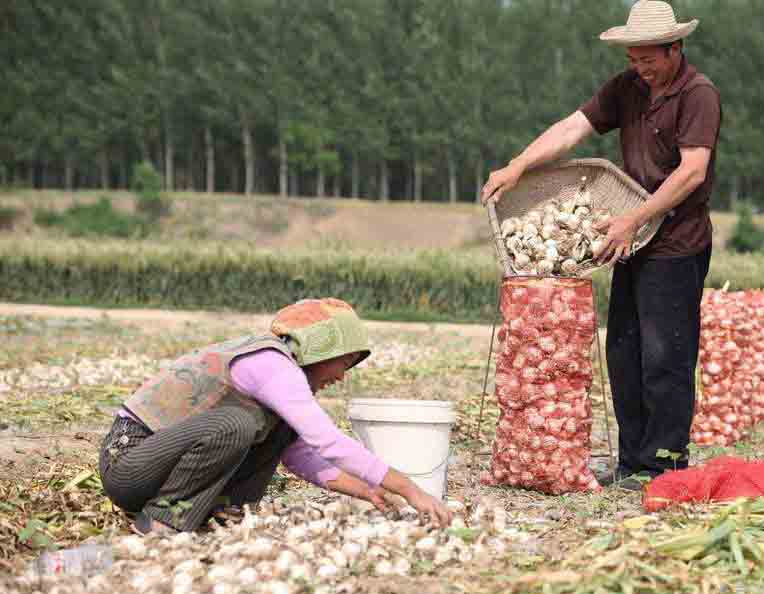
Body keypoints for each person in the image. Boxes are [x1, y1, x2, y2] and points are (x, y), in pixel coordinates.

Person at [482, 1, 720, 490]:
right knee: (624, 352)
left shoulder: (698, 95)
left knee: (666, 357)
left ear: (675, 48)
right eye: (633, 58)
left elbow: (692, 172)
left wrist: (634, 218)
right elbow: (572, 128)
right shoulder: (627, 89)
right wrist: (518, 165)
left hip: (675, 242)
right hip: (628, 241)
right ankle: (632, 462)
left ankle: (666, 464)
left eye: (648, 58)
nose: (639, 67)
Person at [98, 298, 452, 534]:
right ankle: (161, 522)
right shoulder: (271, 365)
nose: (341, 376)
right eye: (342, 363)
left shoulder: (283, 378)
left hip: (162, 466)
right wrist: (408, 488)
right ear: (319, 349)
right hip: (129, 465)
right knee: (235, 425)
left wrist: (365, 490)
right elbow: (327, 440)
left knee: (278, 431)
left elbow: (298, 455)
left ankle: (215, 512)